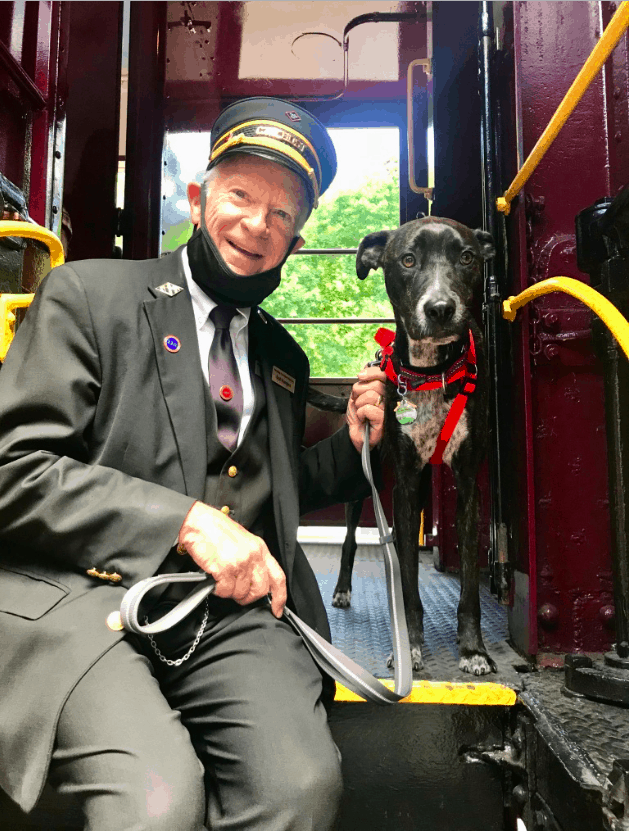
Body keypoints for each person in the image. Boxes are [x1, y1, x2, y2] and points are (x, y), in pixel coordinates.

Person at [0, 97, 387, 830]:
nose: (256, 224)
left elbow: (271, 489)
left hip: (223, 616)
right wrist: (182, 522)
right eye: (240, 195)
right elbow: (11, 469)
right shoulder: (88, 295)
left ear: (296, 241)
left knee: (300, 786)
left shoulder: (282, 357)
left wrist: (363, 442)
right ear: (199, 196)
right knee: (156, 800)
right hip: (80, 597)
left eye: (281, 215)